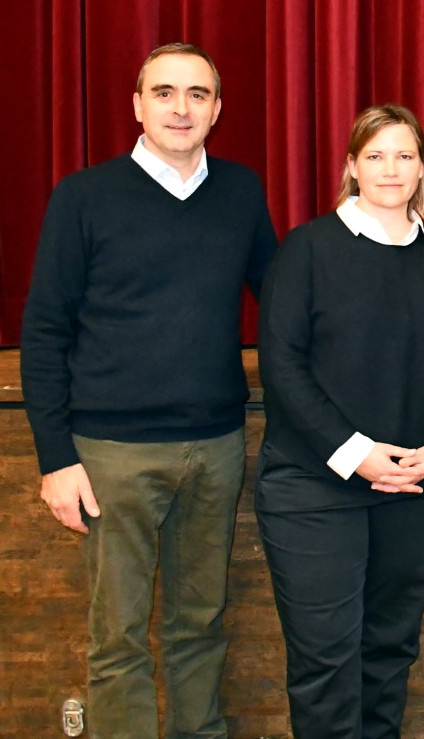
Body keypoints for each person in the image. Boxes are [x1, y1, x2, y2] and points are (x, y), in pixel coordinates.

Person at [21, 43, 277, 737]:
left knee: (201, 623)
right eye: (164, 92)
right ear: (137, 105)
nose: (181, 107)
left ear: (217, 109)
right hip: (110, 454)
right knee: (118, 638)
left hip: (217, 445)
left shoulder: (241, 191)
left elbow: (282, 301)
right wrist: (55, 457)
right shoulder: (84, 196)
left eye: (197, 94)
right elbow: (43, 331)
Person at [255, 104, 424, 737]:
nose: (390, 168)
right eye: (375, 155)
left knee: (388, 654)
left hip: (415, 491)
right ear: (351, 166)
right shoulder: (308, 249)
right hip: (315, 492)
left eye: (405, 155)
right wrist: (355, 452)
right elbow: (282, 366)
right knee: (325, 663)